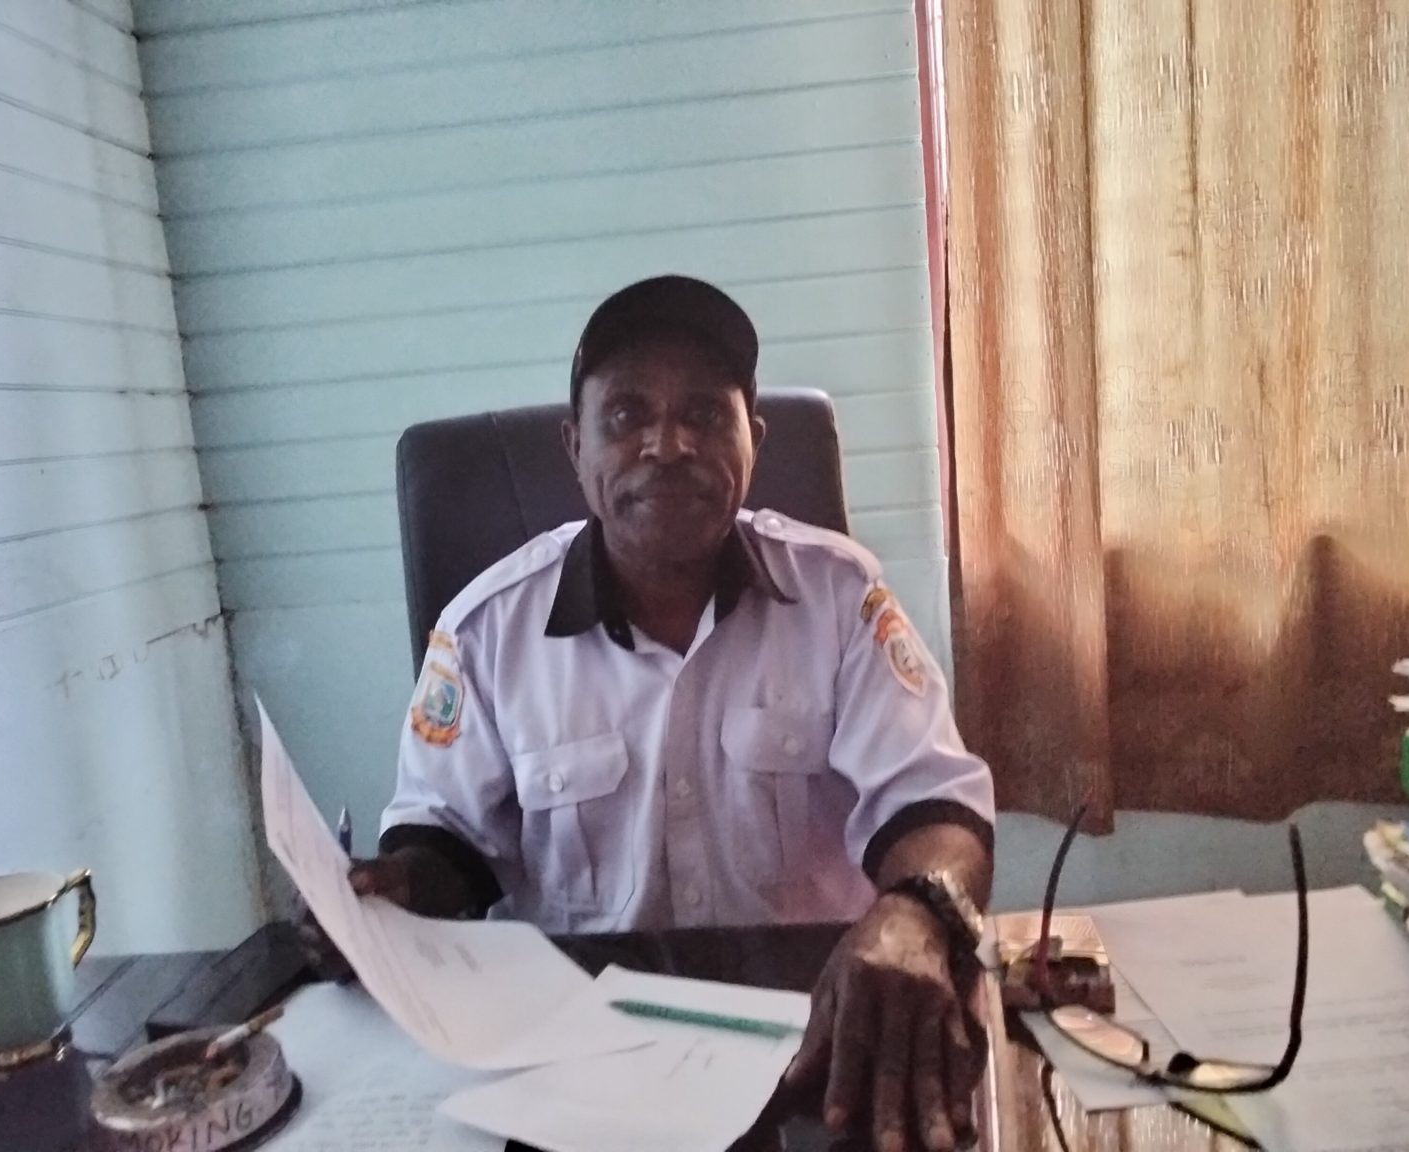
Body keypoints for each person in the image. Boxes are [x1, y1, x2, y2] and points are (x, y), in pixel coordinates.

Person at [313, 276, 995, 1152]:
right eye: (626, 415)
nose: (667, 445)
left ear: (754, 441)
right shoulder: (486, 630)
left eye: (705, 415)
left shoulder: (839, 597)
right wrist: (391, 894)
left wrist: (917, 912)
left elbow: (934, 806)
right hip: (573, 1068)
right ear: (576, 446)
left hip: (816, 1042)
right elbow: (448, 847)